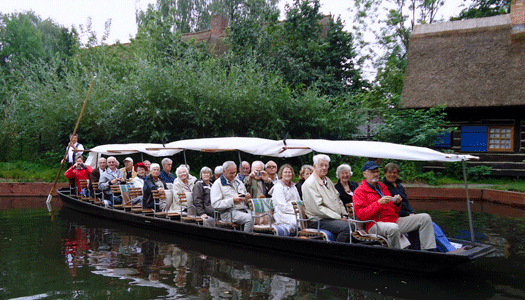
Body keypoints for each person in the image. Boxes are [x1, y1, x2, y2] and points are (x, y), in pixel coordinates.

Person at [353, 161, 436, 250]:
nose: (376, 174)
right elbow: (361, 215)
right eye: (373, 172)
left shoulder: (383, 187)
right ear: (365, 174)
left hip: (393, 220)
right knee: (393, 228)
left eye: (377, 171)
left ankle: (428, 251)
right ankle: (396, 257)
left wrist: (397, 204)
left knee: (425, 218)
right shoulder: (359, 191)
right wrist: (378, 203)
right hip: (375, 225)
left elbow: (394, 211)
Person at [382, 162, 456, 252]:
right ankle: (435, 249)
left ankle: (432, 248)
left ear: (397, 174)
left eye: (395, 173)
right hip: (398, 217)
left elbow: (406, 203)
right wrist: (408, 214)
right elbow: (390, 208)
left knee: (431, 224)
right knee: (427, 222)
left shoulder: (399, 186)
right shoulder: (384, 188)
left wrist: (412, 212)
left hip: (406, 215)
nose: (392, 175)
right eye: (390, 173)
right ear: (385, 173)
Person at [301, 154, 350, 243]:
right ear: (314, 166)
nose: (324, 168)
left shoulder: (327, 180)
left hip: (331, 218)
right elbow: (317, 209)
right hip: (317, 220)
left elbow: (338, 199)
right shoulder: (309, 184)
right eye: (321, 165)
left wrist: (344, 214)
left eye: (326, 165)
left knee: (352, 224)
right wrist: (338, 217)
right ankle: (335, 254)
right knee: (346, 227)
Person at [210, 161, 253, 232]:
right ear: (224, 171)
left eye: (235, 172)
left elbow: (245, 200)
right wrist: (232, 200)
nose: (234, 175)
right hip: (229, 213)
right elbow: (215, 204)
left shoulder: (238, 182)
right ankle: (246, 241)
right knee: (250, 219)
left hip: (244, 210)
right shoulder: (217, 184)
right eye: (231, 173)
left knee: (260, 217)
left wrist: (246, 197)